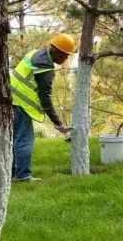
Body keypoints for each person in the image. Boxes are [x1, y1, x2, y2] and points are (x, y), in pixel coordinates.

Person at [10, 33, 76, 182]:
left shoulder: (35, 53)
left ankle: (13, 173)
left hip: (10, 99)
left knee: (15, 139)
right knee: (25, 140)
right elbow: (46, 99)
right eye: (66, 55)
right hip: (21, 104)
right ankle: (23, 176)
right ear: (58, 52)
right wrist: (58, 123)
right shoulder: (45, 68)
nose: (66, 59)